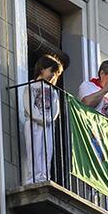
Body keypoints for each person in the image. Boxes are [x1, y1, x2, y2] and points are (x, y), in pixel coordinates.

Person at [23, 53, 65, 185]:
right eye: (52, 71)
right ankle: (33, 177)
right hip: (33, 123)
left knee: (47, 150)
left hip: (47, 124)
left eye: (56, 73)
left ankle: (44, 176)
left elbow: (55, 109)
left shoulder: (52, 91)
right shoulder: (31, 86)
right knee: (34, 149)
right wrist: (40, 118)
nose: (53, 75)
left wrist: (49, 119)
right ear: (42, 69)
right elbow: (29, 105)